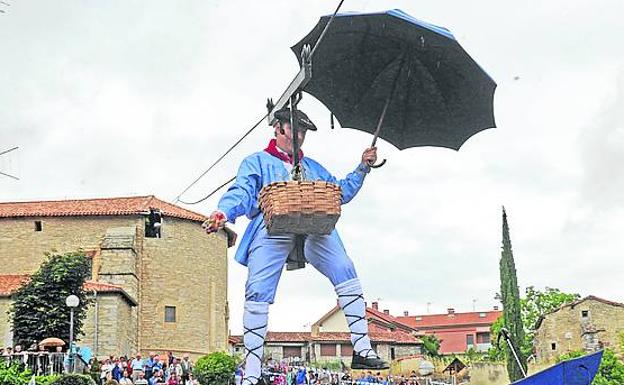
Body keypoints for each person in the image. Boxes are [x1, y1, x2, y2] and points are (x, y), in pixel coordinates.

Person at [204, 107, 387, 385]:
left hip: (314, 227)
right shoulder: (257, 162)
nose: (300, 135)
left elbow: (340, 192)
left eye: (303, 131)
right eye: (295, 129)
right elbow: (242, 192)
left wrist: (363, 167)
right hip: (272, 227)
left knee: (345, 269)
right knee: (257, 290)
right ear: (278, 128)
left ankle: (361, 348)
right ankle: (252, 372)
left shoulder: (313, 167)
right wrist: (224, 213)